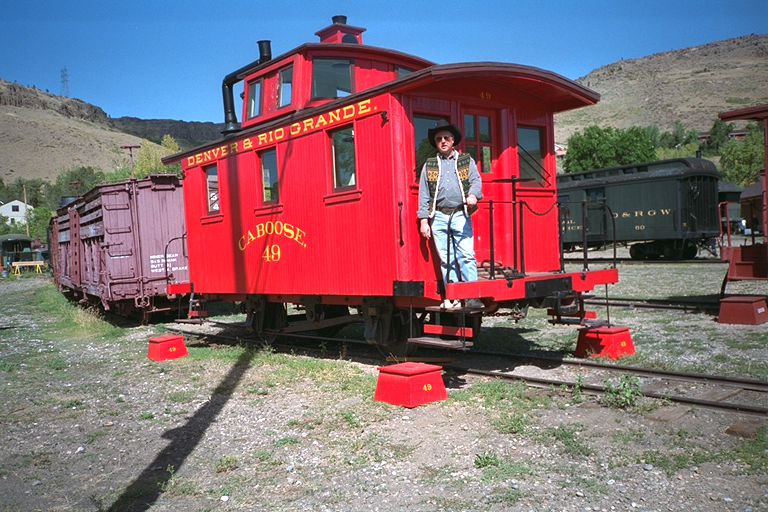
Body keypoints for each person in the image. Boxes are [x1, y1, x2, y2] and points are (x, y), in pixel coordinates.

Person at [417, 124, 484, 309]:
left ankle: (471, 296)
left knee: (466, 256)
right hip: (437, 216)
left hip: (460, 214)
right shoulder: (429, 165)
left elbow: (476, 181)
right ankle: (453, 297)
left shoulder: (465, 160)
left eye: (446, 138)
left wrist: (473, 195)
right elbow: (423, 194)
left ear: (453, 141)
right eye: (439, 139)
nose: (443, 141)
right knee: (447, 259)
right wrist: (424, 220)